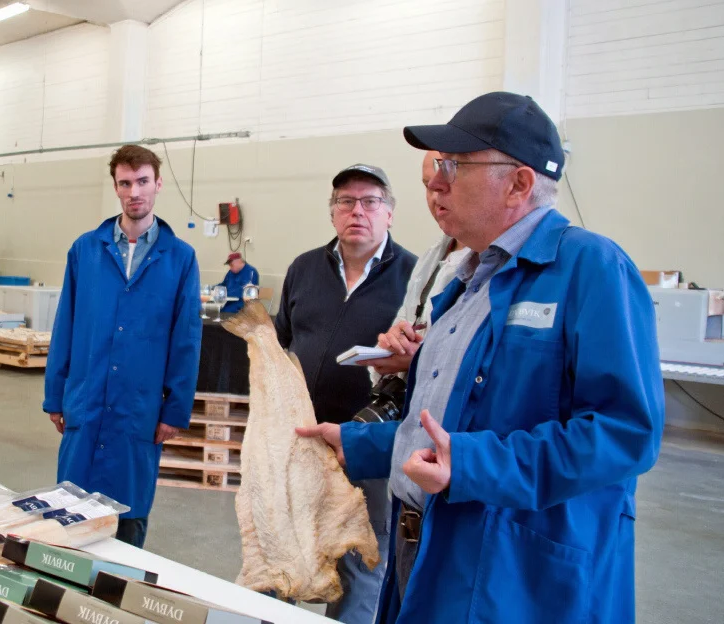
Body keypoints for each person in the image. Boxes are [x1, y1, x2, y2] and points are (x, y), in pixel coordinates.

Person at [298, 92, 664, 623]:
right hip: (428, 545)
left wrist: (474, 464)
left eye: (455, 166)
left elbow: (625, 432)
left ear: (518, 183)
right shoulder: (466, 283)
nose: (436, 184)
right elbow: (446, 416)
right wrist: (357, 441)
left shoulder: (592, 269)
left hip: (517, 572)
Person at [275, 164, 417, 623]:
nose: (357, 211)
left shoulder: (414, 276)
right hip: (299, 441)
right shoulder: (303, 268)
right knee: (283, 551)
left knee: (360, 560)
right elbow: (281, 343)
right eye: (345, 202)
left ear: (389, 213)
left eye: (370, 201)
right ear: (333, 213)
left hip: (366, 448)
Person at [43, 144, 202, 549]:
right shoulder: (85, 249)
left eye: (143, 181)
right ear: (115, 187)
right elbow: (66, 325)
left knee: (127, 517)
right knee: (70, 512)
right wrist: (54, 395)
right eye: (125, 183)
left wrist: (175, 409)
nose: (135, 192)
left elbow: (186, 339)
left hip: (140, 407)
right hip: (87, 398)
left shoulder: (180, 258)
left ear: (158, 184)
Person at [361, 151, 470, 381]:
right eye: (427, 185)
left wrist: (419, 359)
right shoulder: (431, 259)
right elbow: (405, 324)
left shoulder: (494, 261)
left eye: (445, 180)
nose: (434, 194)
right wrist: (392, 344)